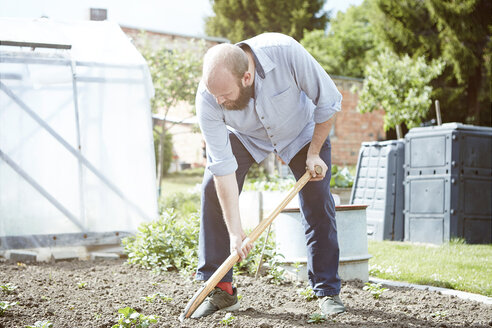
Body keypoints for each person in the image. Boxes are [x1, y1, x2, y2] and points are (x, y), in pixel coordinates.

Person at [192, 32, 344, 319]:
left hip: (301, 132)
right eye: (214, 95)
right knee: (212, 190)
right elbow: (222, 167)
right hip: (247, 136)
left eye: (225, 95)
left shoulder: (285, 52)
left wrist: (314, 153)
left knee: (317, 201)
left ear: (246, 78)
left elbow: (328, 100)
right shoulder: (209, 98)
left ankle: (327, 290)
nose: (219, 101)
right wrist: (236, 233)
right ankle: (221, 290)